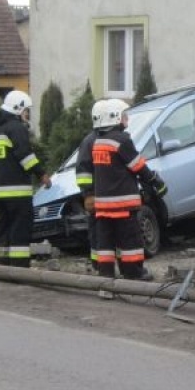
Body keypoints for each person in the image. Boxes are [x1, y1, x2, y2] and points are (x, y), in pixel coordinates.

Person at [91, 98, 166, 281]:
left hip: (102, 206)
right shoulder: (122, 140)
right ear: (115, 117)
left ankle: (106, 277)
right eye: (125, 116)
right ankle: (134, 274)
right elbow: (137, 166)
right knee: (130, 241)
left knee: (106, 245)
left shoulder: (98, 142)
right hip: (122, 205)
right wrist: (155, 181)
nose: (127, 119)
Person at [0, 90, 51, 267]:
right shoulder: (17, 128)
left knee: (2, 228)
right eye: (26, 110)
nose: (27, 114)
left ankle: (0, 265)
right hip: (17, 191)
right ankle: (19, 268)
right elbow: (26, 156)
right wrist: (41, 174)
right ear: (17, 109)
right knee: (20, 229)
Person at [75, 99, 107, 272]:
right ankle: (99, 264)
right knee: (97, 231)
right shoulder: (91, 141)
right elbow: (82, 171)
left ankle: (104, 264)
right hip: (96, 195)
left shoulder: (102, 139)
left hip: (107, 194)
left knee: (104, 231)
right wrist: (88, 194)